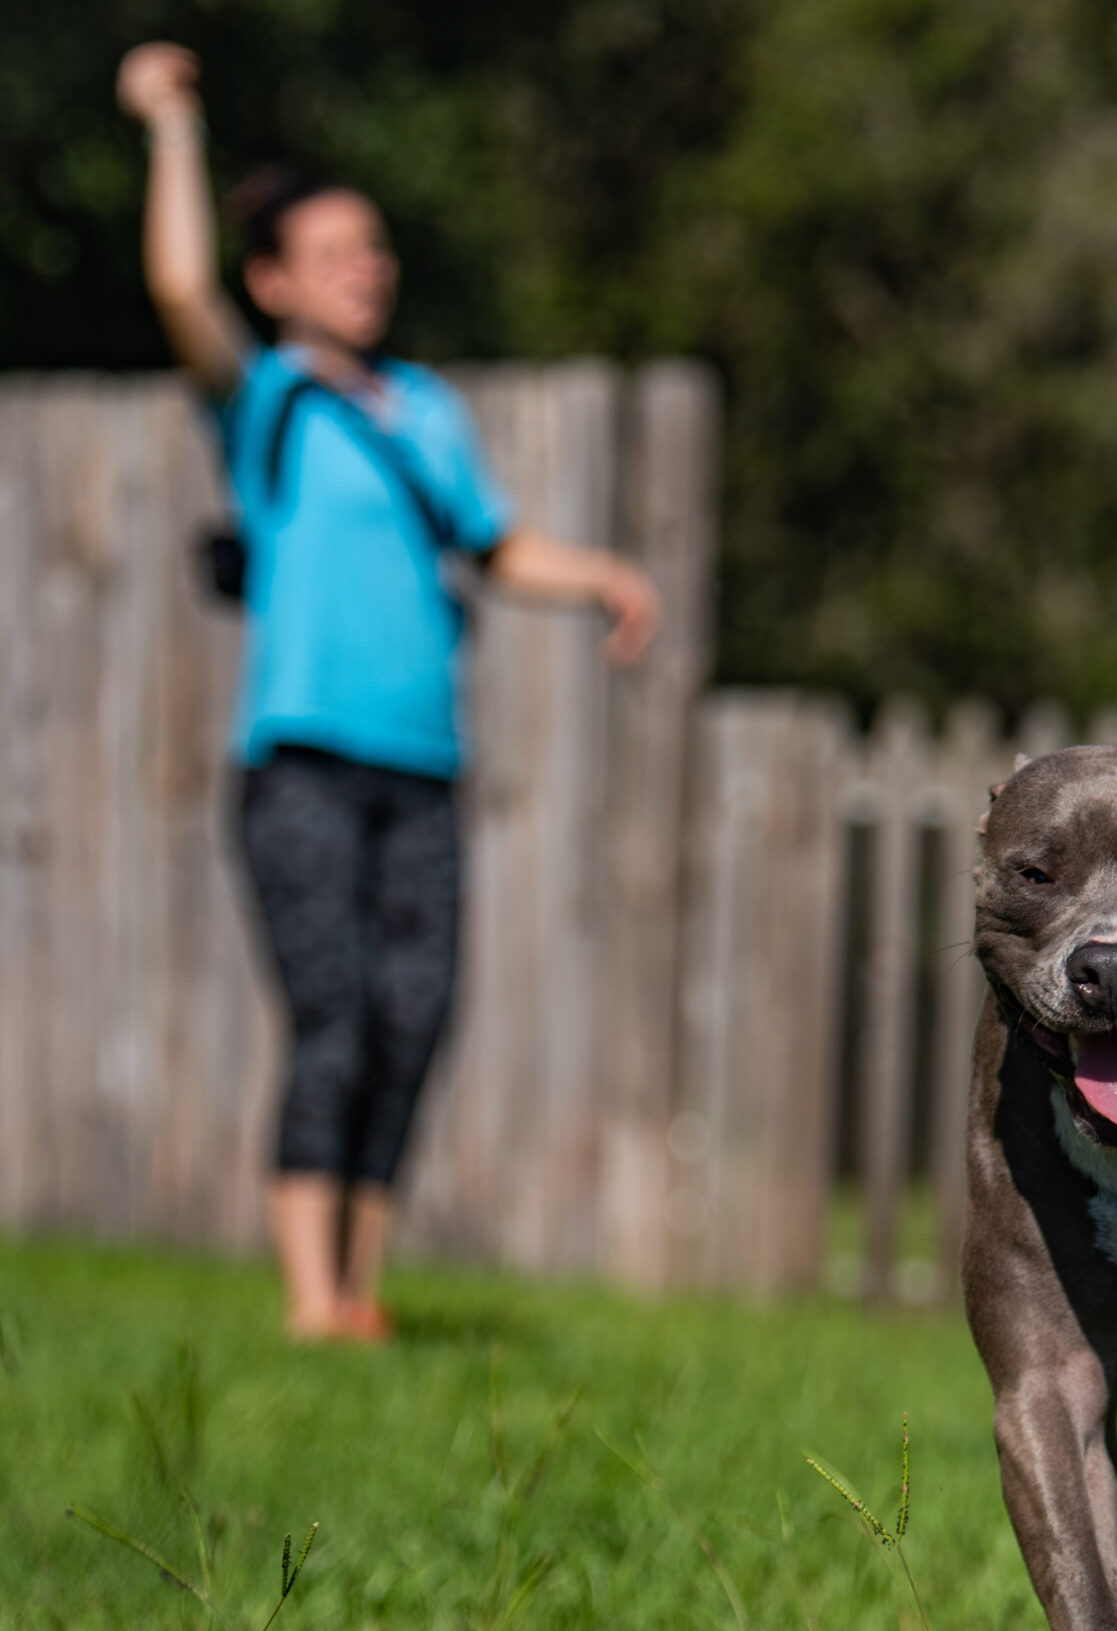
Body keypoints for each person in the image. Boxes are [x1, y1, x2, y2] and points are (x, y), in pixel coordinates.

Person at [117, 43, 663, 1343]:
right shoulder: (269, 402)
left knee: (414, 1019)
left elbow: (496, 543)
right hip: (301, 759)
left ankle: (360, 1292)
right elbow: (177, 284)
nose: (369, 267)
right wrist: (173, 127)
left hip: (424, 763)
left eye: (375, 247)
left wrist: (600, 577)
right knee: (337, 1016)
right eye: (336, 250)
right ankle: (312, 1300)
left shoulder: (424, 409)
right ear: (278, 279)